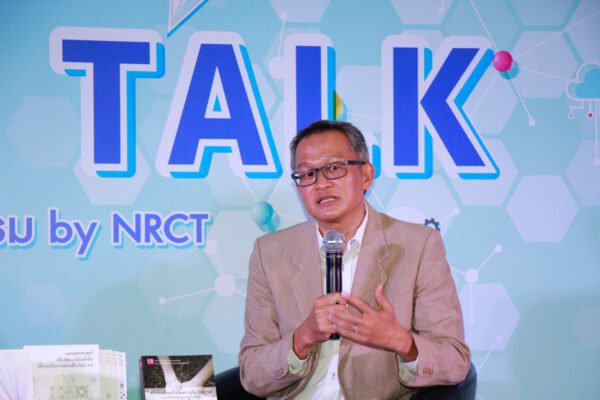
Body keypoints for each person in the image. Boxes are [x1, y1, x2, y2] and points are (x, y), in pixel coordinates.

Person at [239, 120, 470, 399]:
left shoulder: (418, 245)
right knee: (191, 390)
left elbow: (455, 362)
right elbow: (251, 374)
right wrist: (303, 338)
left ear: (366, 176)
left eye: (334, 168)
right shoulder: (269, 252)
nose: (321, 183)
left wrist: (400, 341)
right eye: (307, 173)